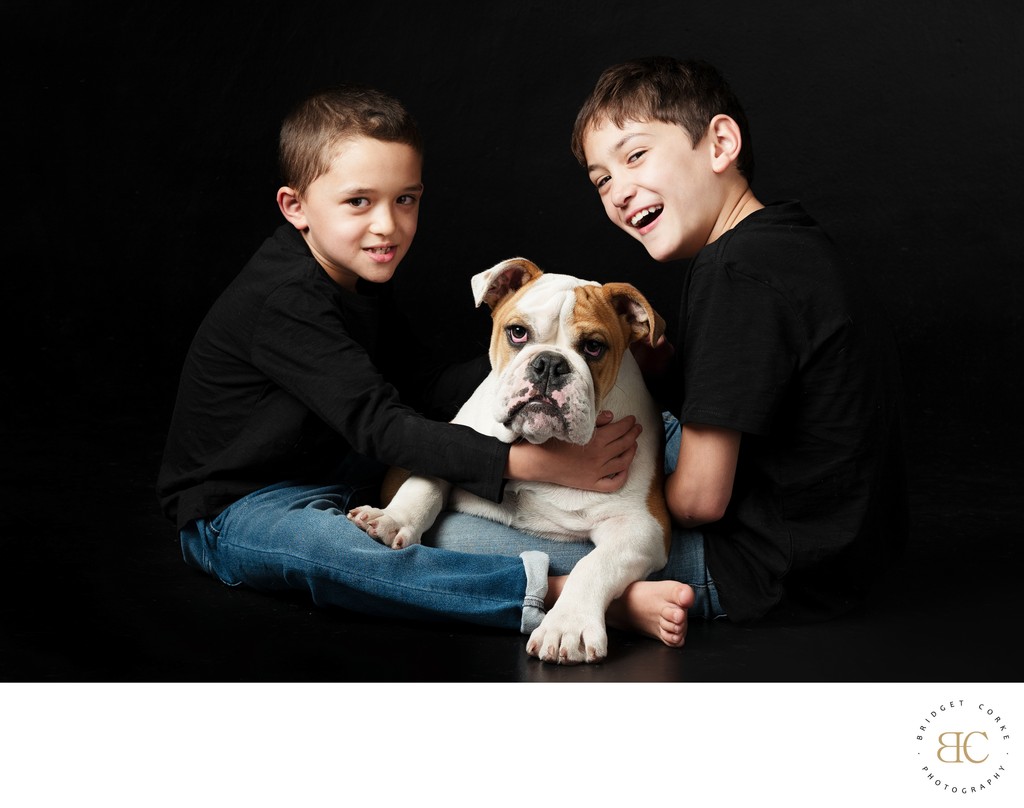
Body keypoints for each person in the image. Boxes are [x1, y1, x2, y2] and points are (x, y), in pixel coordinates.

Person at [156, 83, 694, 650]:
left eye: (405, 199)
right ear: (296, 208)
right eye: (358, 202)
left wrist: (525, 366)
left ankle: (595, 581)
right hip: (238, 507)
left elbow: (427, 387)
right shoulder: (286, 301)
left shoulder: (355, 280)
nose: (387, 224)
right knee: (342, 557)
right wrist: (530, 463)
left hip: (344, 480)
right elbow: (381, 425)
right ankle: (559, 593)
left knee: (438, 528)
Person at [567, 56, 909, 623]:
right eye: (602, 180)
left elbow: (700, 502)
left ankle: (578, 596)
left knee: (460, 531)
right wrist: (659, 367)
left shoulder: (733, 271)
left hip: (754, 568)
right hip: (844, 556)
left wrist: (590, 489)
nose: (619, 191)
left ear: (720, 143)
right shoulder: (788, 239)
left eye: (635, 155)